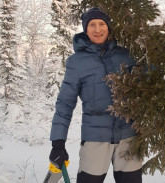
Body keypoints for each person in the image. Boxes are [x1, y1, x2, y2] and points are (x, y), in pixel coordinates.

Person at [48, 7, 142, 183]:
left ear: (108, 27)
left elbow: (148, 80)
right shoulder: (76, 62)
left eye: (101, 24)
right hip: (95, 140)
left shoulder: (126, 55)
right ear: (85, 28)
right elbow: (65, 103)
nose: (97, 29)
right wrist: (58, 142)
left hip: (129, 136)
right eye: (92, 25)